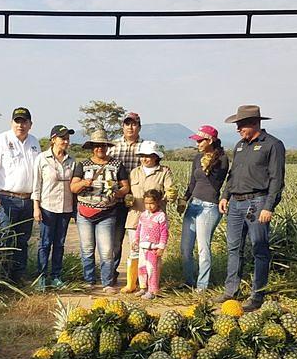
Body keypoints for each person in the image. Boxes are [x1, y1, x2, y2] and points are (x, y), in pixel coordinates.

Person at [217, 105, 286, 310]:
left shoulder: (272, 145)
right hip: (236, 203)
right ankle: (231, 291)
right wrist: (225, 195)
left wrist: (269, 206)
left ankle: (257, 296)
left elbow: (276, 179)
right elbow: (233, 175)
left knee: (259, 249)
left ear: (254, 123)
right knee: (234, 248)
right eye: (237, 125)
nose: (238, 129)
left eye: (241, 125)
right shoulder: (240, 145)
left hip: (258, 203)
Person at [0, 107, 40, 283]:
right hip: (6, 198)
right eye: (17, 121)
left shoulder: (34, 142)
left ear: (30, 124)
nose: (20, 125)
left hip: (27, 199)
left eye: (24, 121)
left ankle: (19, 275)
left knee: (23, 240)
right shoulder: (1, 140)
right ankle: (1, 276)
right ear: (12, 123)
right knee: (5, 237)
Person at [70, 129, 130, 293]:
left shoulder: (117, 165)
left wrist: (117, 192)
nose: (99, 149)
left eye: (102, 145)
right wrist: (84, 183)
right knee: (87, 249)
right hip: (85, 212)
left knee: (106, 250)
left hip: (107, 213)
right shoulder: (82, 165)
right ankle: (89, 280)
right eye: (96, 146)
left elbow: (126, 187)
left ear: (107, 146)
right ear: (92, 147)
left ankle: (107, 282)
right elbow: (73, 187)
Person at [179, 125, 229, 292]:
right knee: (186, 249)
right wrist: (184, 199)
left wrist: (210, 166)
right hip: (193, 205)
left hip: (209, 207)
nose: (198, 143)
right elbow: (192, 183)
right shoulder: (197, 158)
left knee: (203, 247)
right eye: (197, 140)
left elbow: (217, 183)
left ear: (211, 140)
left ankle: (202, 287)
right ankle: (189, 281)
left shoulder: (222, 158)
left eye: (201, 140)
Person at [120, 140, 174, 294]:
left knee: (153, 255)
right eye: (142, 156)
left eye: (148, 156)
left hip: (155, 221)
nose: (144, 159)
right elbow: (129, 192)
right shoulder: (135, 172)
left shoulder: (164, 172)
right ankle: (133, 284)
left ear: (156, 157)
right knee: (135, 251)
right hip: (136, 217)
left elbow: (170, 190)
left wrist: (170, 195)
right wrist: (127, 199)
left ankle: (152, 286)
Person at [32, 124, 76, 291]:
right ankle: (41, 277)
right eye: (62, 138)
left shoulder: (71, 161)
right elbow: (36, 185)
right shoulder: (42, 159)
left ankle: (56, 276)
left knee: (59, 244)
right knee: (45, 243)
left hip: (65, 208)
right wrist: (36, 207)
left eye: (67, 138)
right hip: (47, 207)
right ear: (53, 140)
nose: (65, 141)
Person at [111, 112, 144, 285]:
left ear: (139, 127)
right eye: (127, 124)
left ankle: (139, 276)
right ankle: (112, 272)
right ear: (122, 126)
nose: (130, 127)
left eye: (134, 124)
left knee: (137, 240)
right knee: (116, 240)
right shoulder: (113, 147)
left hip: (137, 201)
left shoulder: (145, 148)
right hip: (117, 200)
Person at [132, 189, 169, 300]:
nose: (149, 206)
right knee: (142, 267)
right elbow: (139, 229)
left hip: (154, 248)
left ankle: (152, 290)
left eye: (152, 203)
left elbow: (164, 232)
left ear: (157, 202)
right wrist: (136, 240)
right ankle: (143, 287)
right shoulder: (143, 215)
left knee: (152, 269)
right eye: (147, 203)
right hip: (143, 246)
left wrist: (161, 247)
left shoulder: (161, 216)